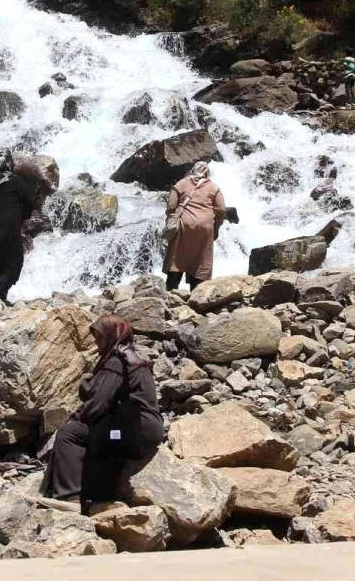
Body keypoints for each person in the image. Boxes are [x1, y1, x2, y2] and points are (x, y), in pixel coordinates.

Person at [40, 314, 164, 513]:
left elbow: (99, 402)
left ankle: (68, 498)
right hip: (144, 427)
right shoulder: (134, 358)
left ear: (112, 336)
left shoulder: (116, 361)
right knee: (99, 439)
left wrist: (79, 417)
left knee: (69, 434)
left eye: (100, 338)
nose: (97, 344)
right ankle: (98, 499)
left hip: (134, 428)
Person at [0, 151, 43, 302]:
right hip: (9, 227)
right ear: (10, 164)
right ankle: (0, 294)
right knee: (14, 259)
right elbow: (29, 204)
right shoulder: (15, 181)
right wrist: (22, 216)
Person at [163, 162, 226, 292]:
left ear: (193, 170)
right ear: (207, 173)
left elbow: (171, 205)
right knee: (201, 259)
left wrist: (171, 219)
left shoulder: (181, 184)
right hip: (205, 227)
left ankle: (171, 290)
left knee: (177, 257)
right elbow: (221, 209)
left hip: (184, 225)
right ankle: (197, 294)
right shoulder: (214, 187)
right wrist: (216, 226)